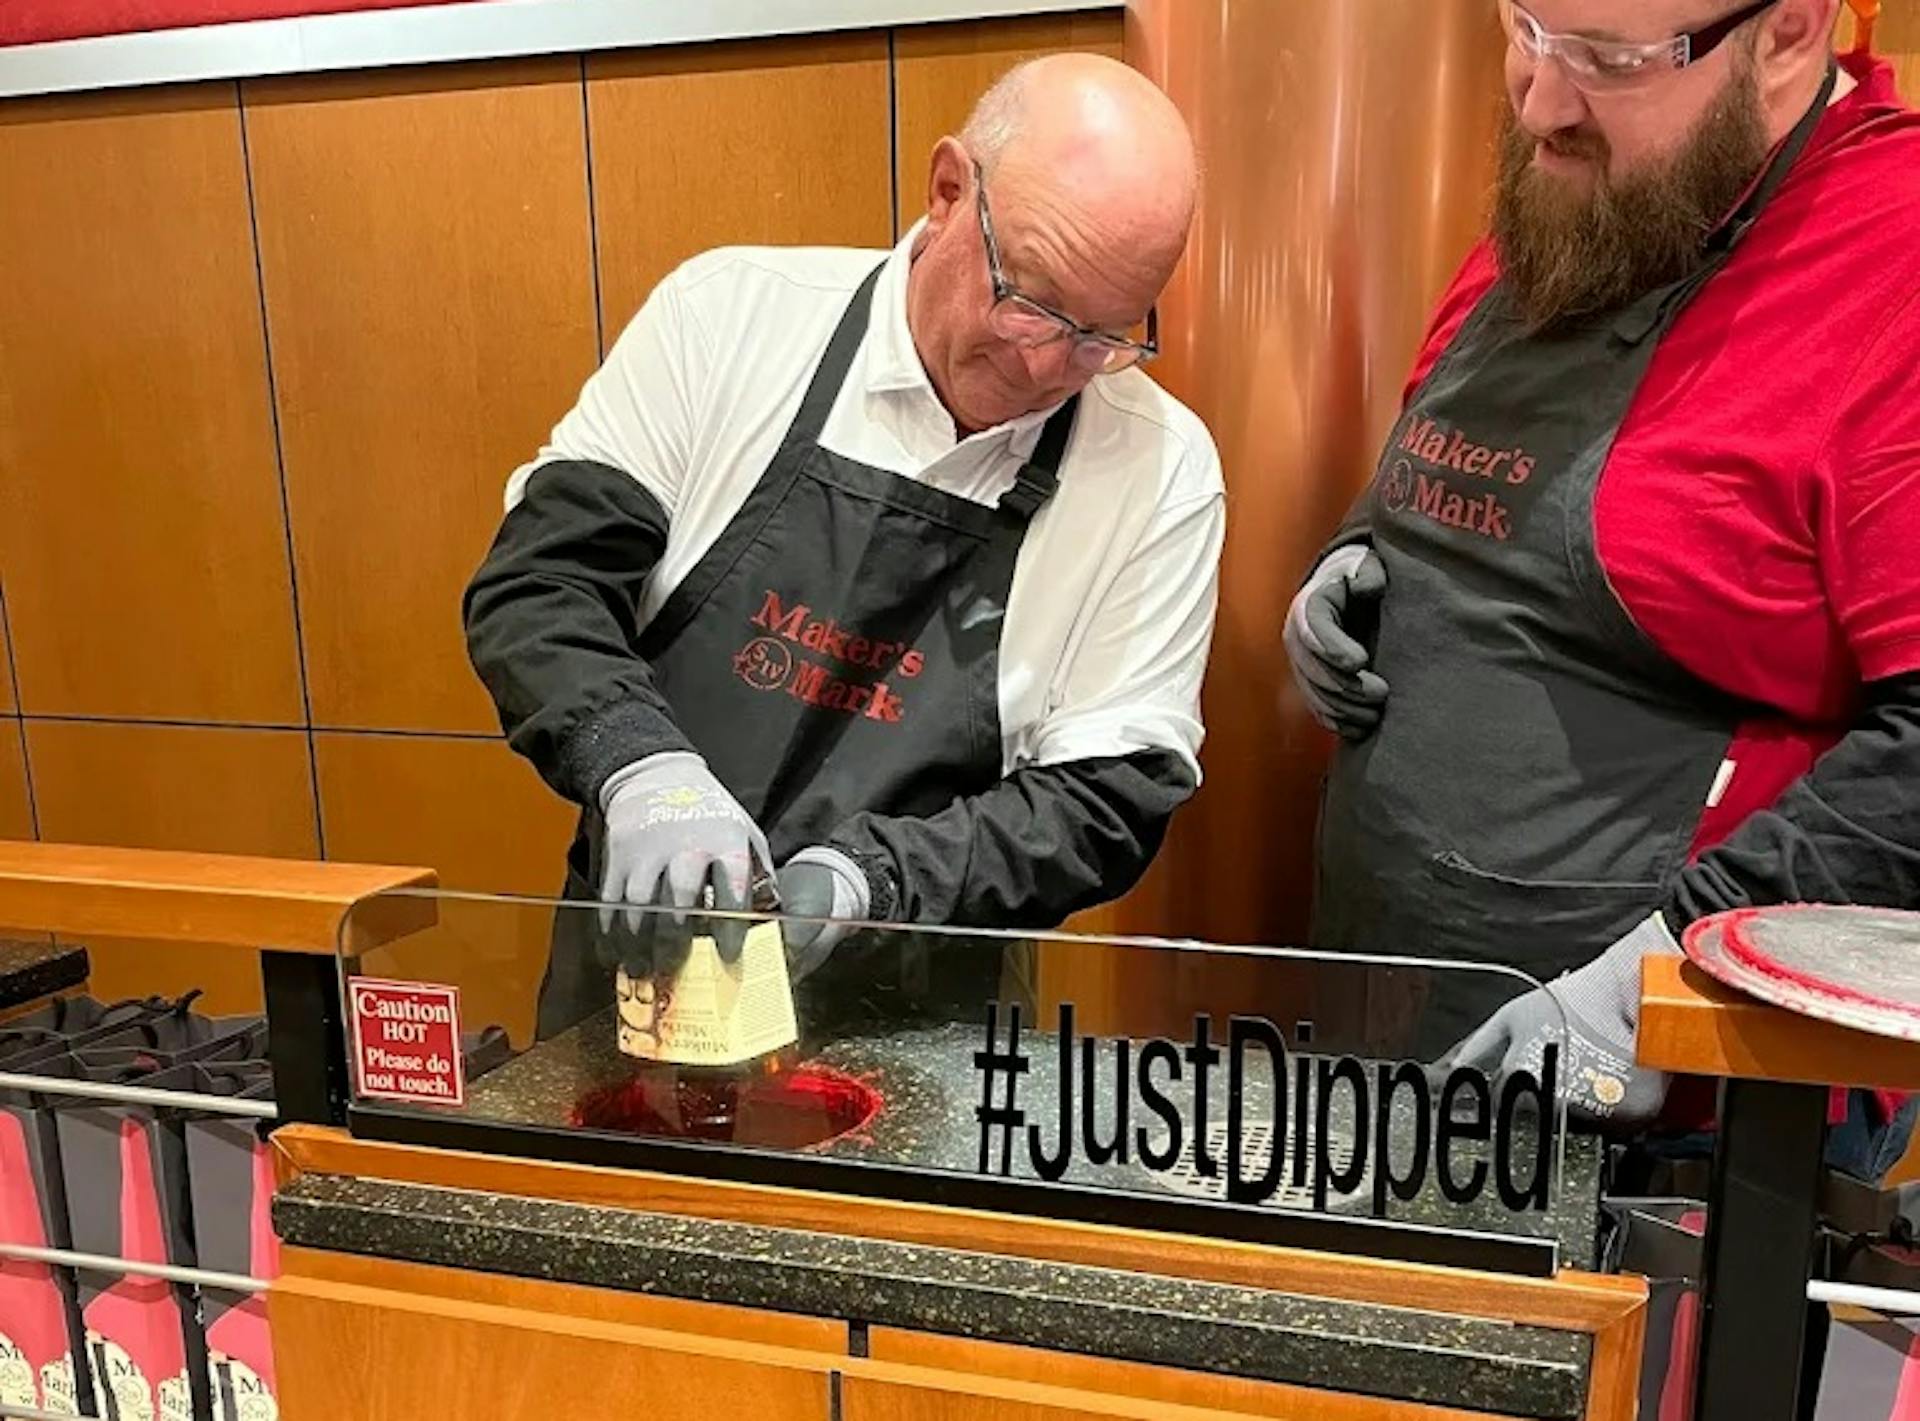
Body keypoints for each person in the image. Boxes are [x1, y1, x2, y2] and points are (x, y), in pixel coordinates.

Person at [466, 54, 1224, 1037]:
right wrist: (640, 768)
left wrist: (874, 878)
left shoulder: (1159, 469)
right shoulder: (730, 319)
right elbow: (540, 585)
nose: (1047, 365)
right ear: (948, 191)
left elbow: (1103, 802)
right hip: (643, 984)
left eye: (1102, 337)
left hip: (926, 1022)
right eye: (1030, 301)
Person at [1285, 0, 1920, 1172]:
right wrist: (1364, 550)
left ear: (1791, 27)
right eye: (1524, 26)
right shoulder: (1598, 176)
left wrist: (1664, 975)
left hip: (1668, 1133)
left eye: (1605, 58)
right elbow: (1483, 460)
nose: (1539, 100)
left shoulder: (1895, 268)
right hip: (1391, 1016)